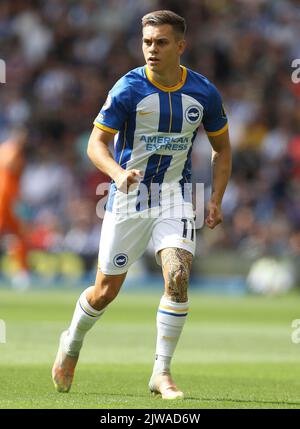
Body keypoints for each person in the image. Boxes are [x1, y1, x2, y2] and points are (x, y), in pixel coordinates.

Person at [52, 10, 232, 400]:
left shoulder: (203, 93)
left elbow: (222, 148)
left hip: (175, 198)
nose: (152, 49)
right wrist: (117, 174)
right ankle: (71, 344)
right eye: (147, 42)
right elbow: (95, 144)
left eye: (161, 42)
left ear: (180, 46)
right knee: (104, 292)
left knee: (178, 278)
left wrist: (215, 198)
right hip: (129, 199)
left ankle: (161, 373)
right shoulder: (128, 89)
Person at [0, 127, 30, 288]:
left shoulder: (9, 149)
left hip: (10, 199)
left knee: (19, 236)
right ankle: (21, 273)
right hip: (5, 200)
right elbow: (10, 165)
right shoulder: (11, 149)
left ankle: (21, 272)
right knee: (18, 235)